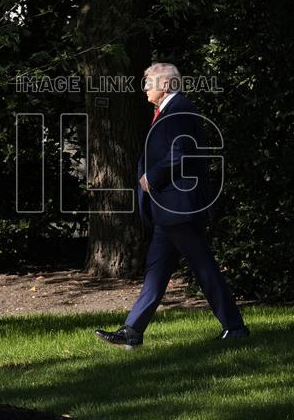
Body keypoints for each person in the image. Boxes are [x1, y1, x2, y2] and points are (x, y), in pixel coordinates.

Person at [95, 62, 249, 349]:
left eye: (148, 83)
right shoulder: (171, 110)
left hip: (178, 207)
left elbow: (180, 154)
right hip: (169, 211)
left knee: (204, 269)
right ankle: (133, 331)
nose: (144, 89)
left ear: (165, 85)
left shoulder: (179, 110)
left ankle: (235, 327)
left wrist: (150, 178)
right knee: (157, 270)